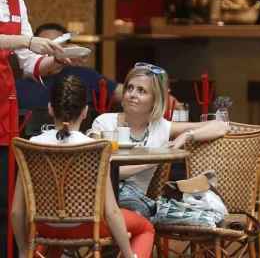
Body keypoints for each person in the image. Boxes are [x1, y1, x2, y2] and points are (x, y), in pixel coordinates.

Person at [11, 75, 154, 258]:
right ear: (85, 111)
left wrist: (23, 250)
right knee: (146, 228)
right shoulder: (95, 148)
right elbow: (110, 212)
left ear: (50, 109)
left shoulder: (31, 145)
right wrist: (128, 254)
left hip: (44, 226)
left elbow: (17, 212)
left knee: (51, 242)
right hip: (87, 227)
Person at [91, 62, 228, 216]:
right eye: (130, 88)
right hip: (101, 197)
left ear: (155, 100)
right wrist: (155, 159)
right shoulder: (104, 122)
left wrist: (187, 135)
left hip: (135, 203)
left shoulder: (161, 127)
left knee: (140, 215)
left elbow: (220, 125)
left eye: (141, 91)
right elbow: (97, 171)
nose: (132, 94)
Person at [0, 0, 72, 144]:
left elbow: (30, 63)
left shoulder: (16, 5)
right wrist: (28, 41)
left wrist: (55, 59)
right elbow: (27, 44)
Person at [15, 22, 123, 111]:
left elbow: (122, 92)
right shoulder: (18, 86)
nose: (51, 51)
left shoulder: (84, 75)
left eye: (57, 45)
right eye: (46, 46)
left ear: (66, 48)